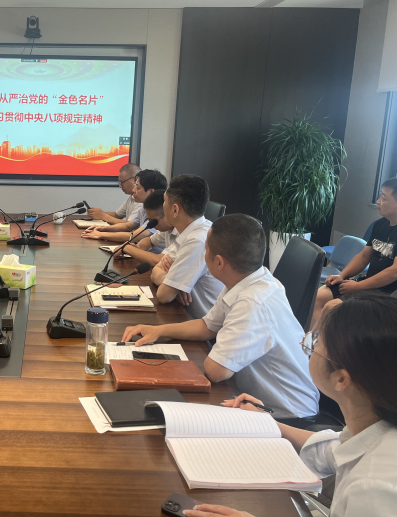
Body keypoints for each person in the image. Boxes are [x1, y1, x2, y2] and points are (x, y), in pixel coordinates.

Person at [184, 293, 397, 517]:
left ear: (342, 379)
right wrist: (268, 424)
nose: (309, 345)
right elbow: (334, 449)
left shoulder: (380, 490)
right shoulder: (389, 421)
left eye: (315, 343)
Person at [123, 214, 319, 421]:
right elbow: (207, 326)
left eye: (205, 249)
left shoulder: (253, 302)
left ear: (218, 262)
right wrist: (159, 330)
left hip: (288, 416)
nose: (203, 253)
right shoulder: (249, 279)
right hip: (253, 400)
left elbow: (216, 371)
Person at [313, 177, 397, 323]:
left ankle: (330, 338)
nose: (378, 201)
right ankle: (315, 338)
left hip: (394, 295)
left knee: (332, 308)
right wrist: (342, 276)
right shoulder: (380, 224)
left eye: (383, 198)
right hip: (370, 287)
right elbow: (363, 257)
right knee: (317, 298)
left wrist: (358, 286)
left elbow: (396, 271)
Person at [151, 174, 223, 319]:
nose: (163, 206)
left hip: (203, 324)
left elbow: (164, 295)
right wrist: (171, 282)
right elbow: (156, 269)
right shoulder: (188, 231)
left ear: (175, 209)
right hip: (185, 313)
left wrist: (172, 286)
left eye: (164, 201)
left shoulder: (198, 239)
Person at [82, 169, 167, 243]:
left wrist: (101, 235)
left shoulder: (159, 212)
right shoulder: (143, 206)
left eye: (137, 188)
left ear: (151, 191)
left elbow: (133, 236)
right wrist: (102, 228)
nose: (133, 190)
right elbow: (128, 226)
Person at [114, 190, 178, 267]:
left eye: (153, 220)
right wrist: (137, 247)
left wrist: (127, 248)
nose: (152, 225)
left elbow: (158, 261)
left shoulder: (181, 231)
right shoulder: (166, 229)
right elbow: (150, 241)